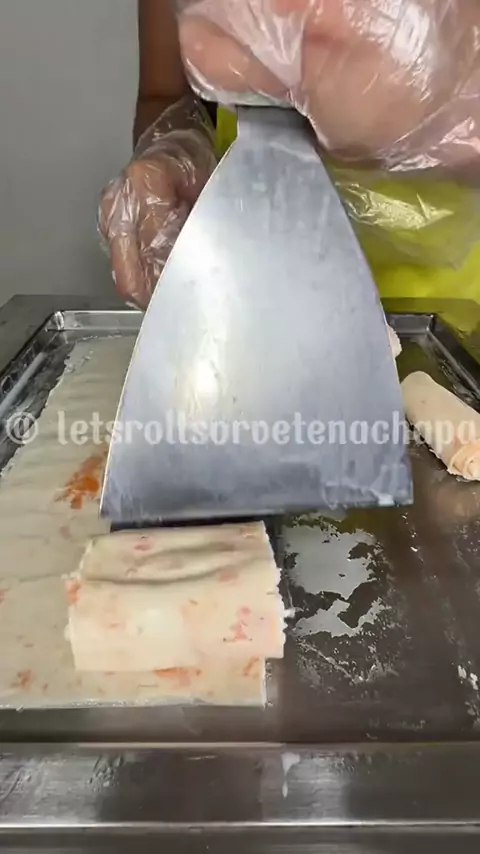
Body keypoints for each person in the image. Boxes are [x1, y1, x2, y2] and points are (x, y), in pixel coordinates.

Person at [99, 0, 480, 310]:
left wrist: (449, 111)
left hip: (450, 304)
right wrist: (175, 145)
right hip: (246, 285)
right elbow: (163, 93)